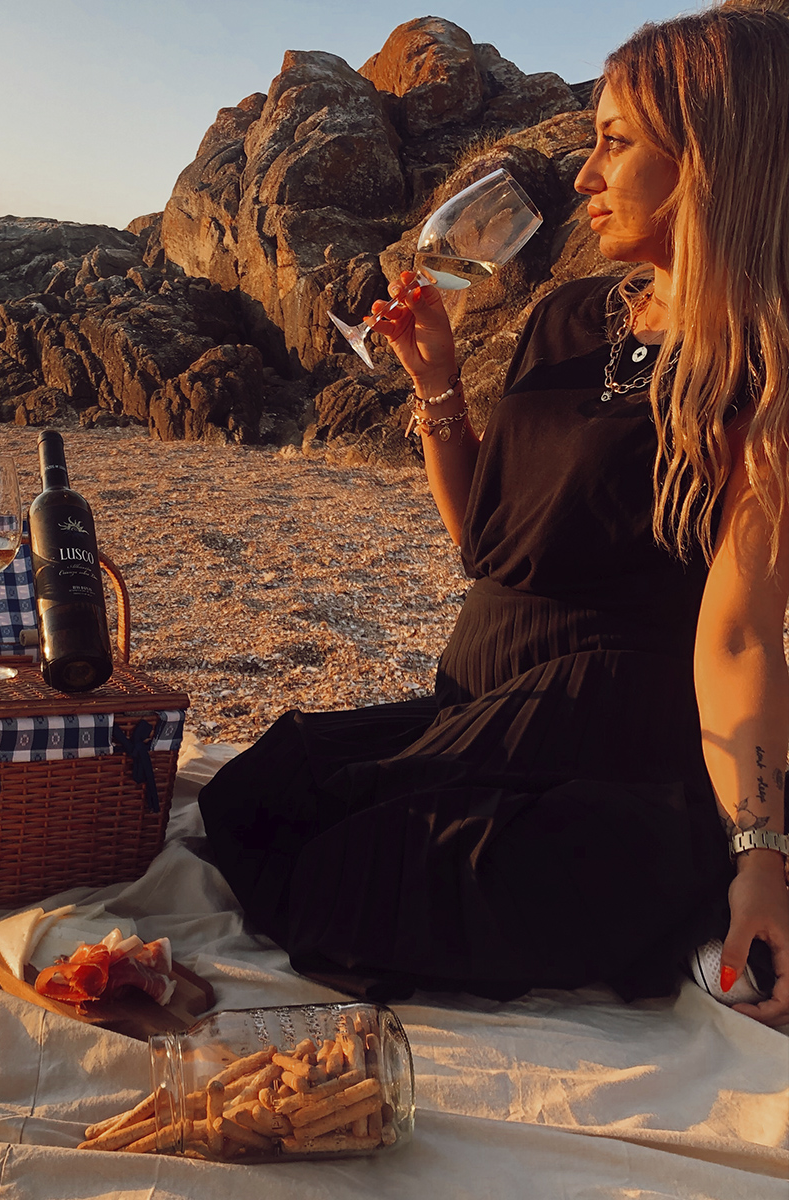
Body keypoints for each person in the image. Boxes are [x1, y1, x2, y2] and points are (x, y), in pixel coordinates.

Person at [198, 6, 789, 1027]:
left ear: (707, 162)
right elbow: (487, 542)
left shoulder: (760, 375)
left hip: (607, 726)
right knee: (262, 792)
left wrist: (764, 864)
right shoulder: (570, 315)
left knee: (375, 875)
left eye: (614, 144)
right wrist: (435, 383)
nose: (583, 174)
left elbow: (739, 634)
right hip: (477, 695)